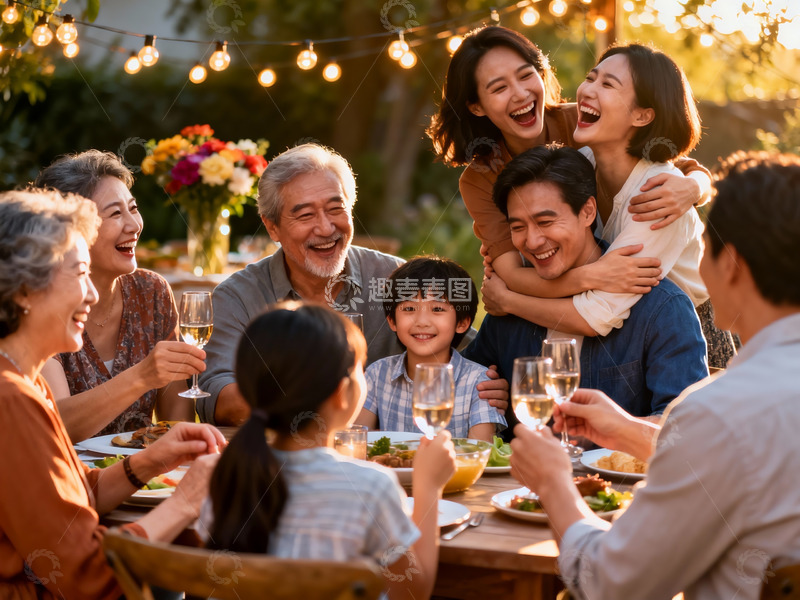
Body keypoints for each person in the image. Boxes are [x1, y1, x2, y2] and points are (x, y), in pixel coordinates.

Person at [510, 151, 800, 600]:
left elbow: (613, 583)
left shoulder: (718, 410)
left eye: (703, 249)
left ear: (732, 265)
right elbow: (744, 461)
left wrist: (553, 483)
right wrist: (630, 433)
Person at [428, 27, 735, 367]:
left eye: (525, 76)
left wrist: (693, 188)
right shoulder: (490, 175)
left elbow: (672, 159)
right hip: (598, 309)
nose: (519, 94)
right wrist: (595, 274)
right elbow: (512, 276)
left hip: (673, 318)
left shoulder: (584, 126)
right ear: (476, 105)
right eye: (499, 88)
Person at [0, 189, 225, 599]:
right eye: (79, 273)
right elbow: (92, 578)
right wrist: (187, 501)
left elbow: (75, 494)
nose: (91, 293)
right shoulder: (10, 398)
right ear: (23, 292)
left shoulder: (24, 380)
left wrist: (150, 460)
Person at [198, 143, 508, 426]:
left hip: (385, 464)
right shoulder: (238, 295)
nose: (325, 227)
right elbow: (216, 395)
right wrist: (321, 407)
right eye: (305, 215)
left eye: (336, 209)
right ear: (272, 227)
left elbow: (465, 347)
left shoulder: (393, 276)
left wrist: (488, 381)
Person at [204, 302, 456, 600]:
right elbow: (413, 592)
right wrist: (428, 488)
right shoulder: (371, 487)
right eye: (361, 368)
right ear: (341, 393)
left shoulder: (228, 474)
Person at [462, 145, 708, 425]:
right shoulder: (510, 307)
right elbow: (463, 380)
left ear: (588, 211)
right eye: (518, 227)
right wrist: (483, 393)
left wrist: (611, 428)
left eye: (545, 221)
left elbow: (685, 428)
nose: (532, 241)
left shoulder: (662, 309)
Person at [35, 150, 205, 442]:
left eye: (133, 208)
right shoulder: (41, 302)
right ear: (72, 230)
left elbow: (174, 426)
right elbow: (57, 424)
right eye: (115, 213)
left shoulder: (152, 292)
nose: (134, 225)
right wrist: (142, 376)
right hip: (69, 479)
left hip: (140, 477)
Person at [355, 256, 506, 441]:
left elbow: (480, 452)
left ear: (462, 322)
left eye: (437, 309)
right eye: (409, 309)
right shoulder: (377, 374)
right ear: (392, 321)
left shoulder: (478, 383)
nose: (422, 322)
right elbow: (357, 442)